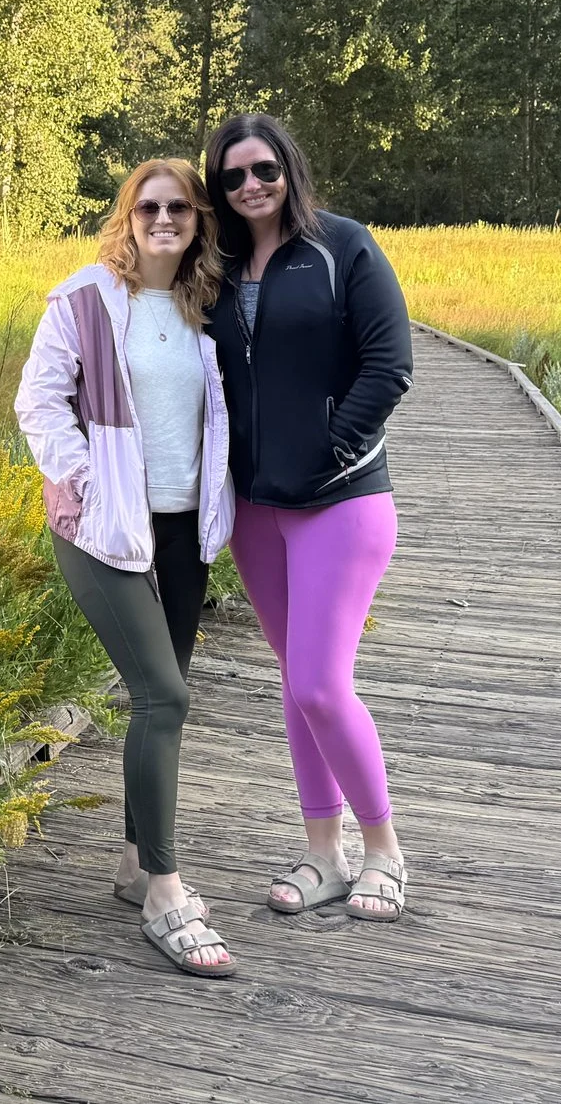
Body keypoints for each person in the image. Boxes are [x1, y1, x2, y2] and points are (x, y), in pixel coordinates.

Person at [14, 159, 238, 978]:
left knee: (164, 698)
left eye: (180, 206)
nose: (165, 217)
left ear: (197, 219)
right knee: (163, 693)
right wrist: (76, 482)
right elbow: (37, 400)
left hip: (181, 530)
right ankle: (165, 892)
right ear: (128, 214)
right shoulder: (85, 298)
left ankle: (133, 862)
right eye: (150, 205)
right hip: (103, 527)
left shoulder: (205, 306)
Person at [204, 111, 416, 923]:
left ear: (289, 167)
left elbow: (390, 362)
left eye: (264, 169)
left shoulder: (344, 245)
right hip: (256, 508)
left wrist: (332, 446)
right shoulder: (215, 264)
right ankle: (322, 855)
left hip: (341, 500)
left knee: (323, 683)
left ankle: (385, 849)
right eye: (233, 176)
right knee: (297, 684)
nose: (251, 186)